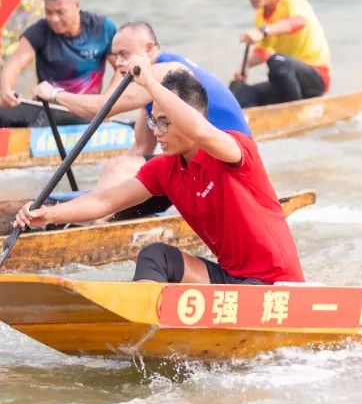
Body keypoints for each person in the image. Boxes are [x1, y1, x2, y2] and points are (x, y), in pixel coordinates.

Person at [16, 57, 304, 285]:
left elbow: (202, 131)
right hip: (231, 280)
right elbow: (104, 201)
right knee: (156, 256)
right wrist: (48, 214)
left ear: (191, 117)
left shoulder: (234, 149)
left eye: (166, 122)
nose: (158, 132)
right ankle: (136, 332)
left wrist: (151, 83)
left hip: (274, 285)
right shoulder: (164, 169)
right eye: (154, 122)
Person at [33, 21, 251, 202]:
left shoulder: (166, 72)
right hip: (202, 163)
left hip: (229, 166)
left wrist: (54, 94)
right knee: (122, 167)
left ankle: (86, 228)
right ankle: (96, 216)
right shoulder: (150, 86)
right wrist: (106, 194)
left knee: (119, 167)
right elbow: (142, 146)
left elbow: (102, 110)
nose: (118, 63)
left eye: (125, 54)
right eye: (115, 55)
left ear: (149, 49)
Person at [0, 0, 117, 127]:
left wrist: (107, 104)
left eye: (60, 12)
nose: (54, 19)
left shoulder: (102, 28)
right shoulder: (40, 31)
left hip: (85, 110)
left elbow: (122, 69)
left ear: (77, 5)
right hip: (49, 107)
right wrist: (6, 90)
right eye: (48, 12)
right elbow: (13, 66)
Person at [231, 0, 332, 108]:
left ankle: (296, 114)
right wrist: (245, 67)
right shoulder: (260, 16)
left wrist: (264, 31)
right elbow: (264, 52)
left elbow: (298, 22)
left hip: (315, 77)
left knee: (277, 62)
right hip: (287, 81)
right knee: (239, 90)